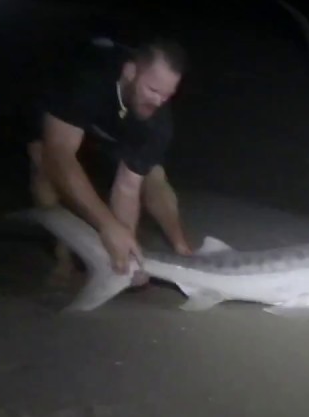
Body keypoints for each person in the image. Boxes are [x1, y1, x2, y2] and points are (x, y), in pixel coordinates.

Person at [26, 35, 193, 287]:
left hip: (119, 125)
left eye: (167, 95)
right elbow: (59, 155)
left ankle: (181, 249)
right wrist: (107, 225)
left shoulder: (158, 121)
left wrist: (125, 248)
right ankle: (63, 259)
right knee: (43, 162)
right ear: (130, 72)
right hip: (72, 111)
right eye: (153, 90)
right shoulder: (86, 77)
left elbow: (128, 187)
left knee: (154, 174)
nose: (158, 101)